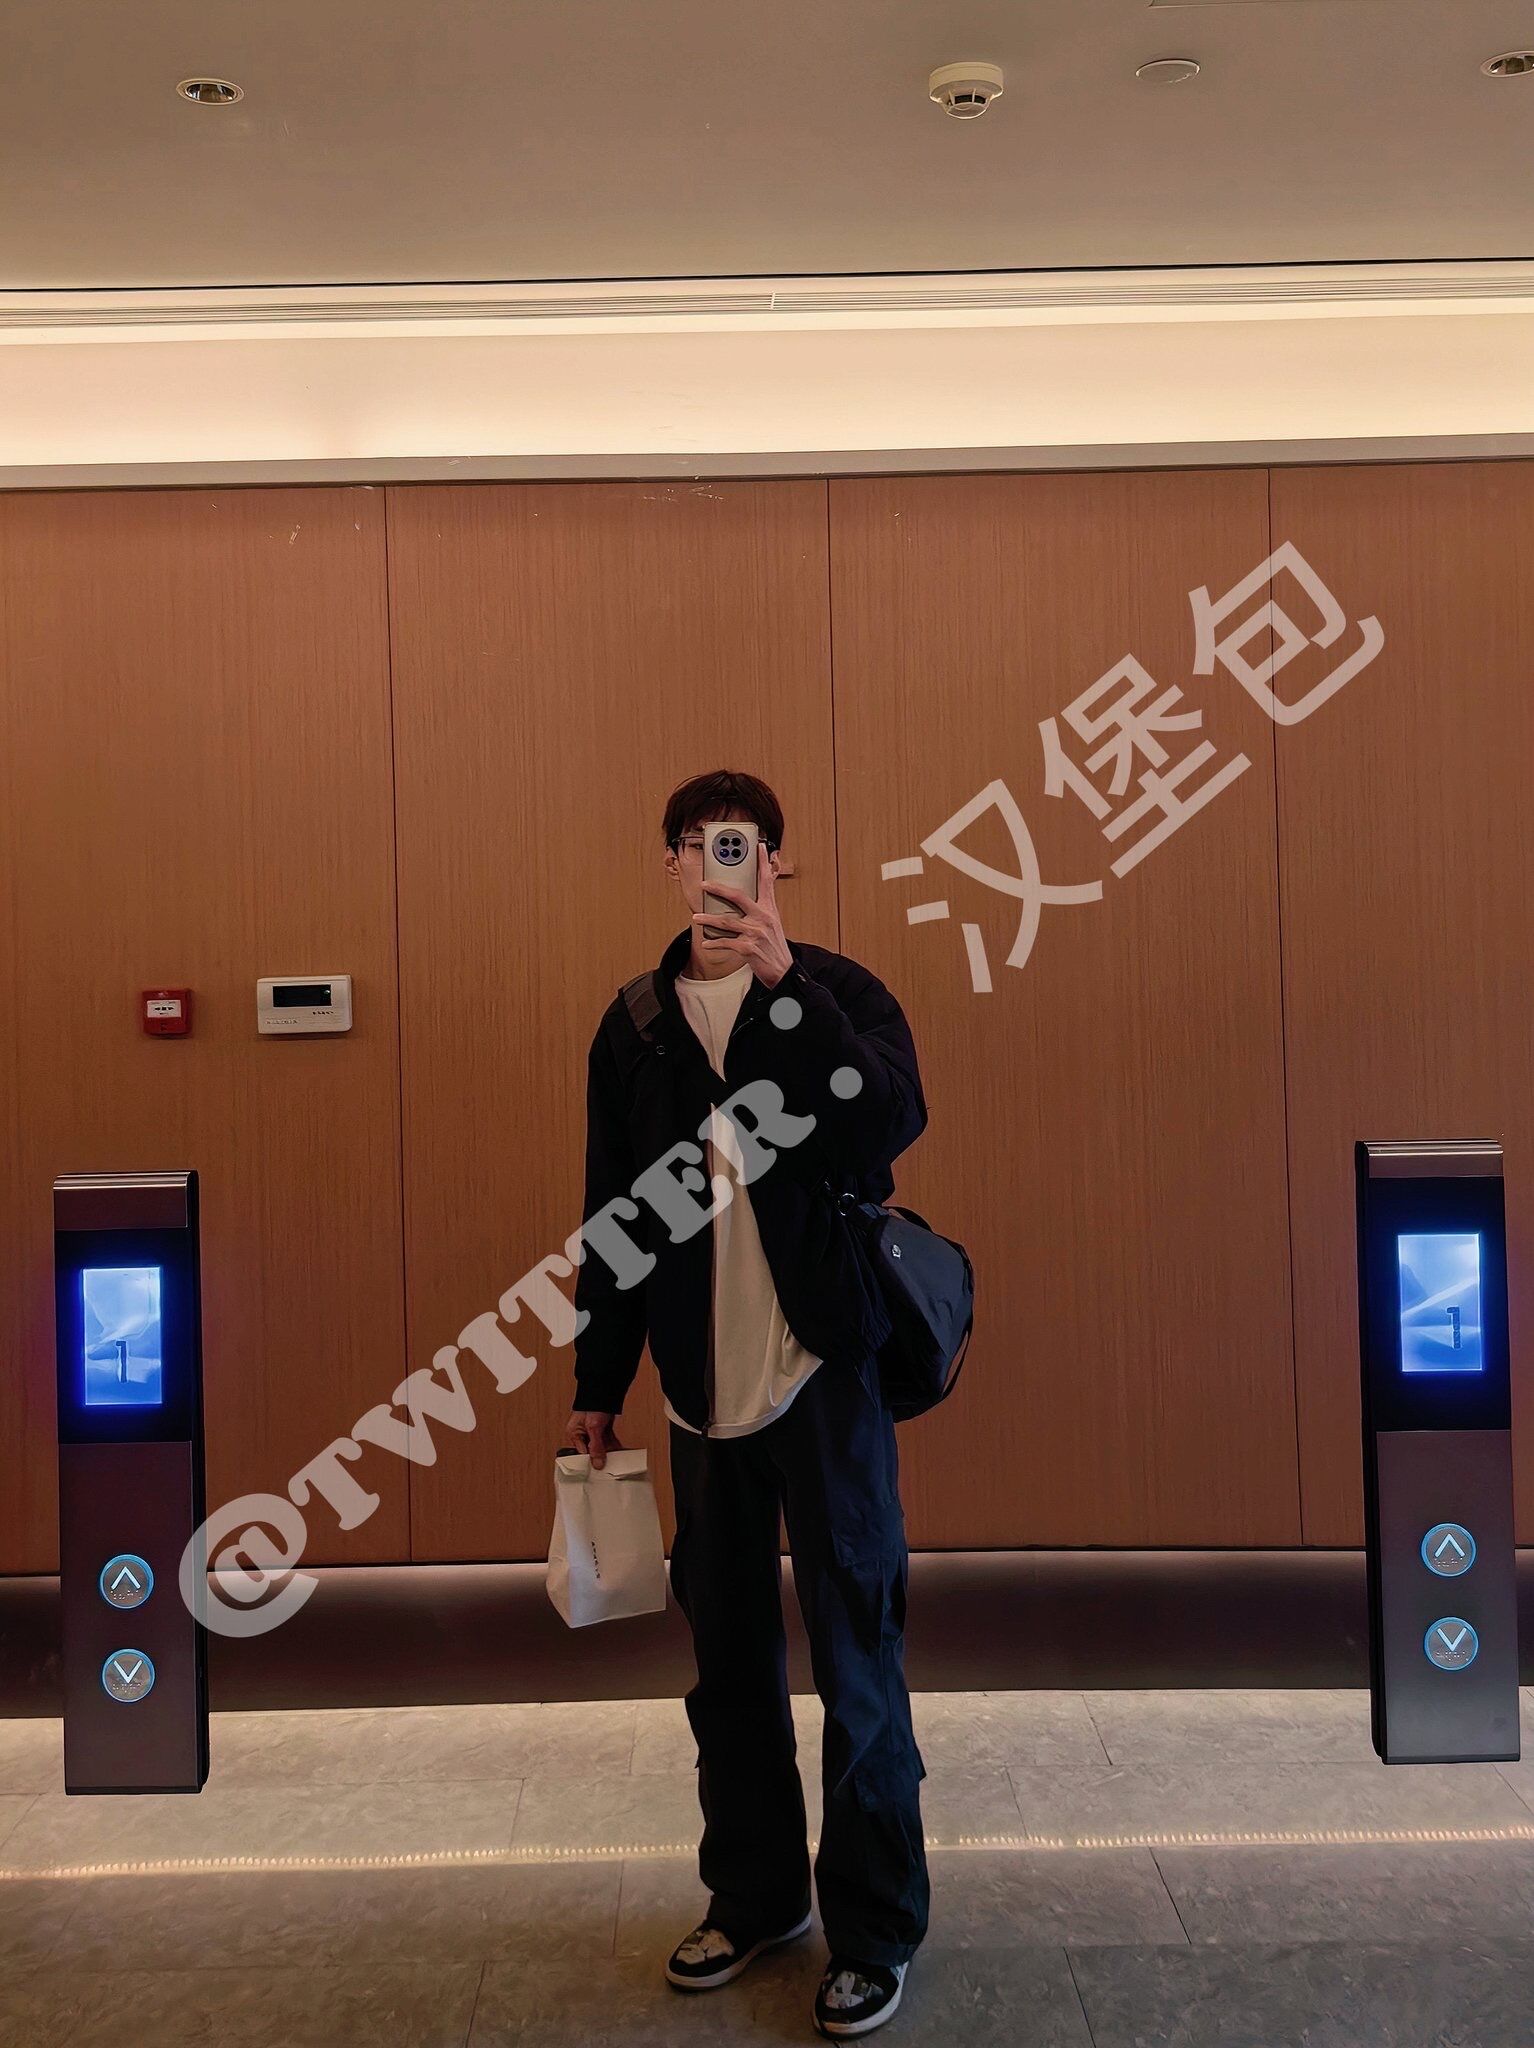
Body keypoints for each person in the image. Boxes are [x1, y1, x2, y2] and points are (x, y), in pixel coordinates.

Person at [563, 769, 931, 2039]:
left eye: (746, 845)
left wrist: (788, 993)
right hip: (700, 1397)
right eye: (701, 843)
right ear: (671, 861)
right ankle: (758, 1895)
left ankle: (874, 1928)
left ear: (777, 862)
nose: (722, 863)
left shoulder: (837, 993)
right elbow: (613, 1211)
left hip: (821, 1378)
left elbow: (888, 1123)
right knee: (726, 1671)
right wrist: (596, 1380)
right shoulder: (634, 1025)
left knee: (858, 1658)